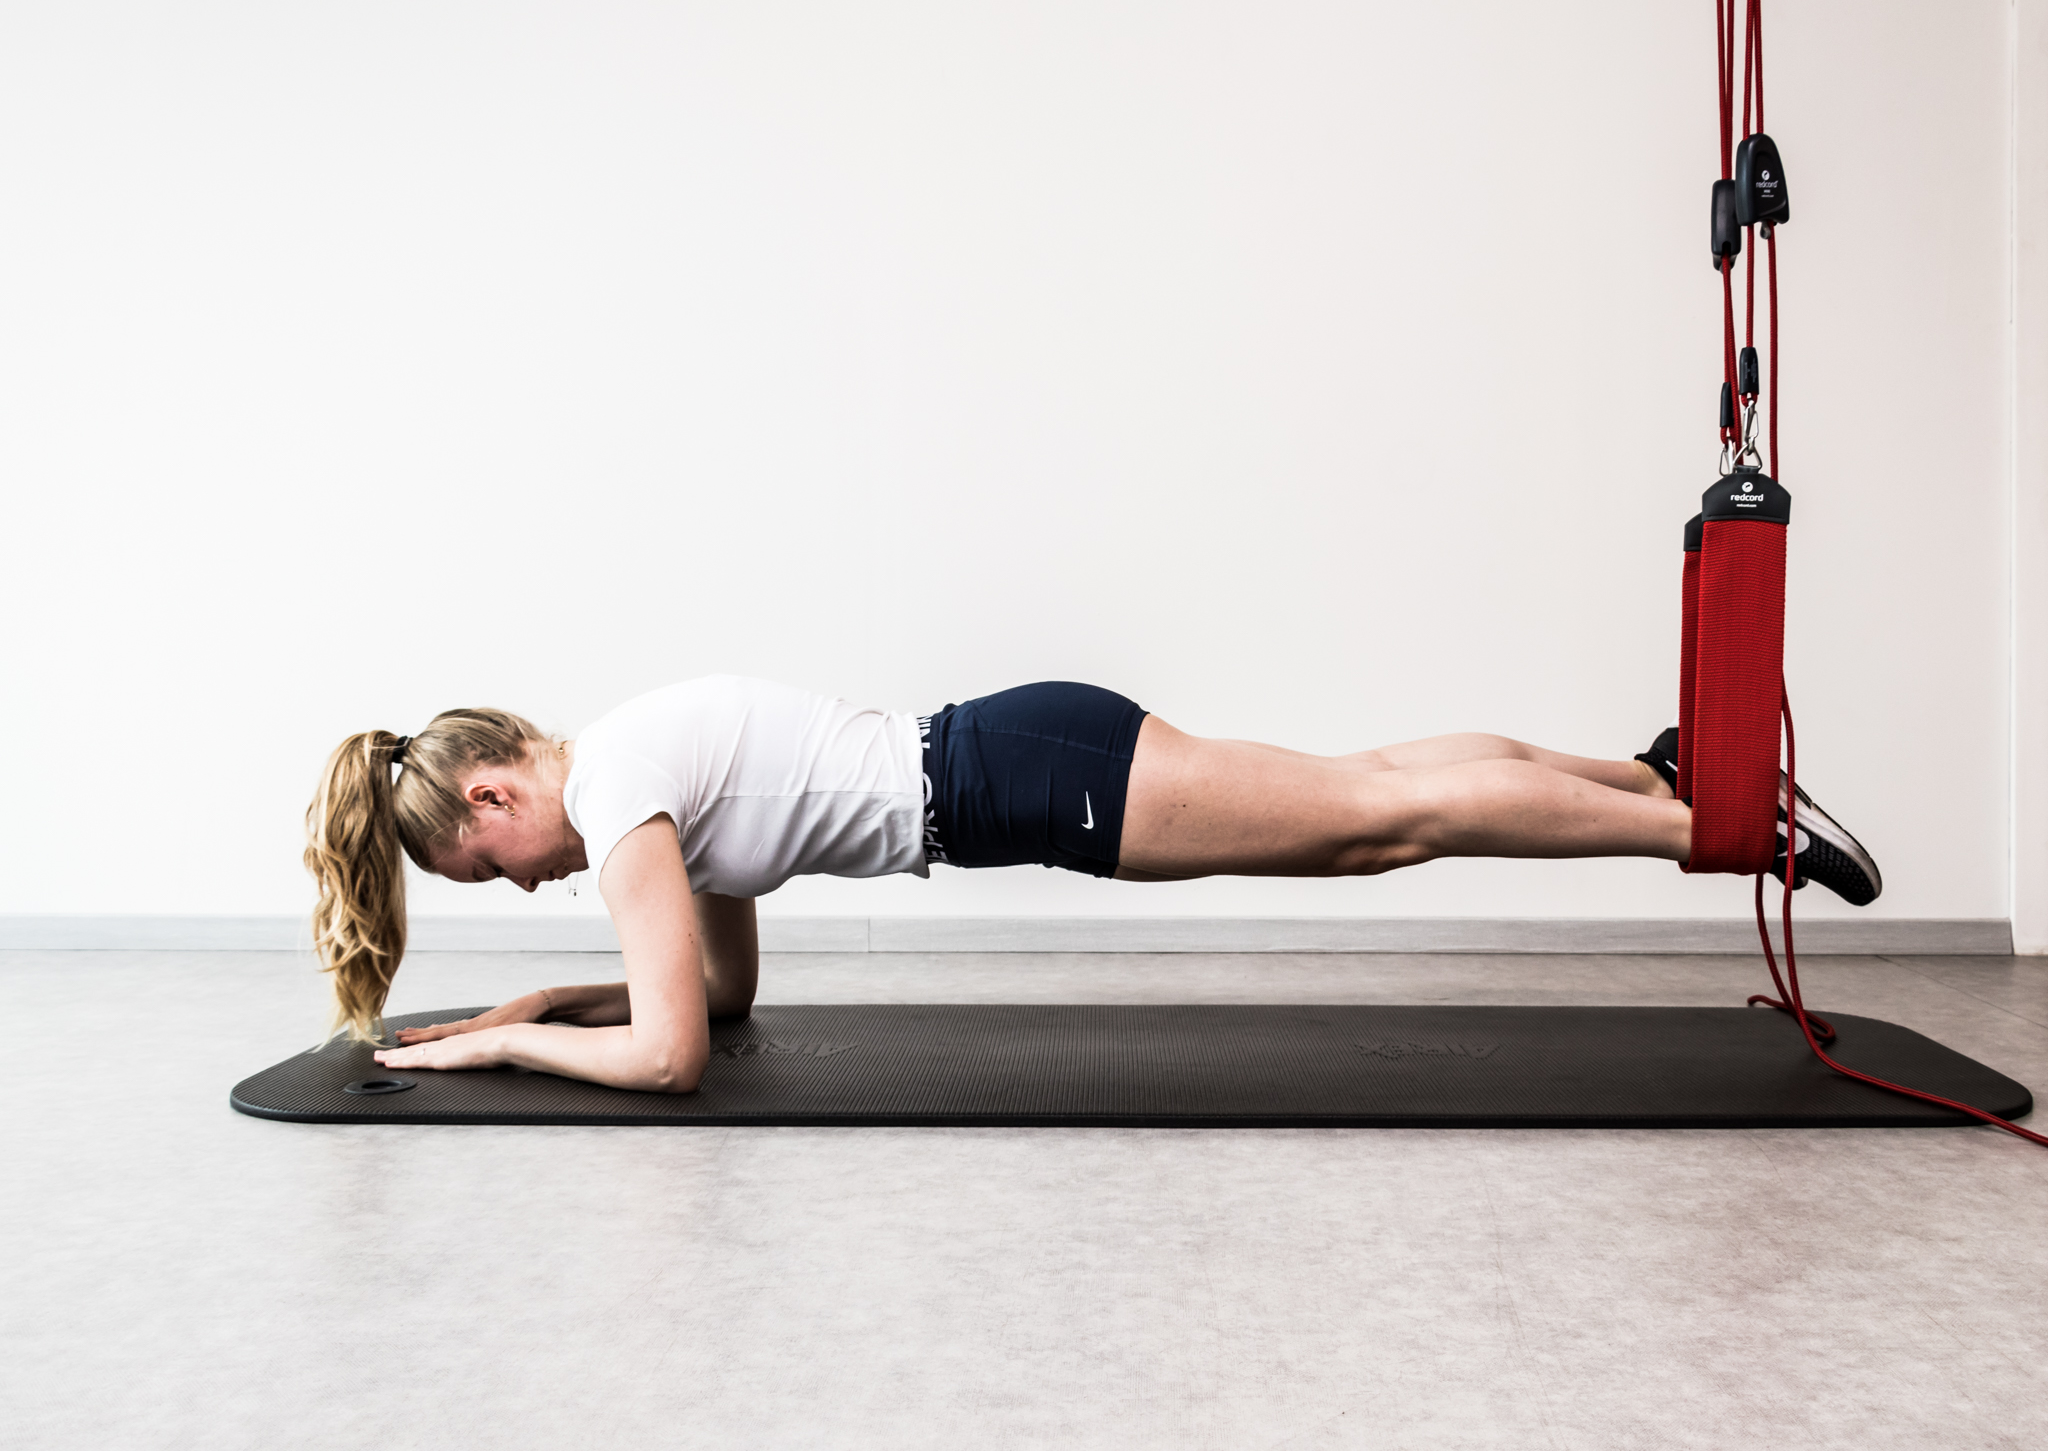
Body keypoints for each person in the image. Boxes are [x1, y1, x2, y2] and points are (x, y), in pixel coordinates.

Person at [304, 676, 1881, 1093]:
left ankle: (1719, 825)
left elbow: (671, 1055)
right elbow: (719, 994)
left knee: (1378, 819)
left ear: (502, 787)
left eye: (480, 864)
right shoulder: (639, 770)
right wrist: (539, 996)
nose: (512, 887)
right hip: (1019, 754)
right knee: (1372, 792)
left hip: (1025, 774)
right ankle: (1653, 778)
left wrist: (512, 1043)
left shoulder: (625, 795)